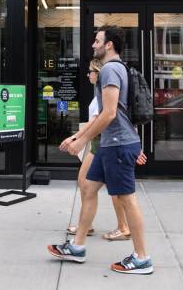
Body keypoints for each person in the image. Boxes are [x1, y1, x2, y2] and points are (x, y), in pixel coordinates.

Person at [48, 25, 153, 275]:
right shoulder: (115, 69)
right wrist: (80, 136)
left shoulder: (110, 69)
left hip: (118, 145)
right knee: (88, 188)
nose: (93, 45)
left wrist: (82, 140)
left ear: (109, 45)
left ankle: (142, 258)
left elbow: (108, 113)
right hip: (110, 145)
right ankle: (77, 246)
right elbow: (103, 115)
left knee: (127, 199)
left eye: (97, 41)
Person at [65, 58, 146, 241]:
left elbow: (107, 118)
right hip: (103, 145)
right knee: (88, 186)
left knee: (117, 192)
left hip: (105, 145)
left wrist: (77, 138)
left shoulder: (106, 93)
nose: (87, 75)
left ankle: (126, 233)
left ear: (99, 73)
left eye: (90, 72)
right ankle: (83, 234)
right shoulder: (100, 94)